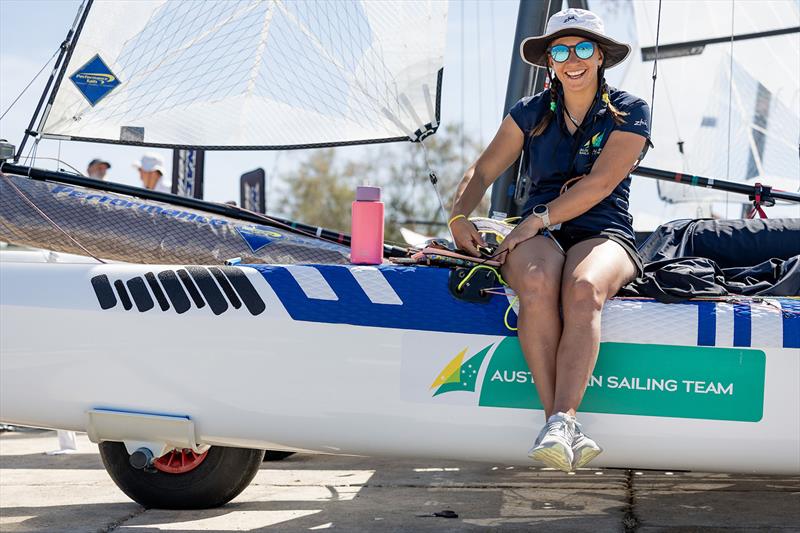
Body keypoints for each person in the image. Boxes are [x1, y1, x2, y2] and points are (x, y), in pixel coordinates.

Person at [448, 8, 650, 472]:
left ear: (600, 56)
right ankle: (557, 426)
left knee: (583, 289)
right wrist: (459, 217)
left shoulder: (631, 111)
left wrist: (534, 221)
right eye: (560, 50)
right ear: (549, 61)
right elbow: (481, 171)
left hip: (604, 229)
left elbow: (599, 185)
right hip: (539, 233)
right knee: (536, 281)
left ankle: (563, 419)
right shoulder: (530, 112)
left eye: (583, 48)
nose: (572, 59)